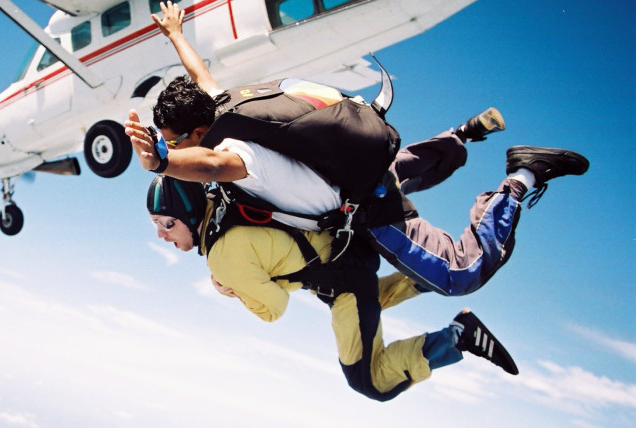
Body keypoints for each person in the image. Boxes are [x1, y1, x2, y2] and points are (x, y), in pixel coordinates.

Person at [126, 1, 589, 297]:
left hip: (367, 205)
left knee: (457, 273)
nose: (174, 150)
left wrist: (160, 161)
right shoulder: (226, 106)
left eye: (175, 140)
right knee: (395, 168)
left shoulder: (234, 152)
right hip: (352, 168)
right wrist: (175, 34)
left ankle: (522, 175)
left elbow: (207, 164)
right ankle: (461, 135)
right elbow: (203, 77)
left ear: (199, 130)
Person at [147, 173, 519, 402]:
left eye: (166, 223)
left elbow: (275, 308)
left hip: (342, 277)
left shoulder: (221, 258)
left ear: (189, 213)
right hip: (342, 249)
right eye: (157, 227)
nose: (163, 235)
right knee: (365, 307)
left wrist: (234, 288)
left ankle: (457, 337)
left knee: (369, 380)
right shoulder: (227, 201)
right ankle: (424, 279)